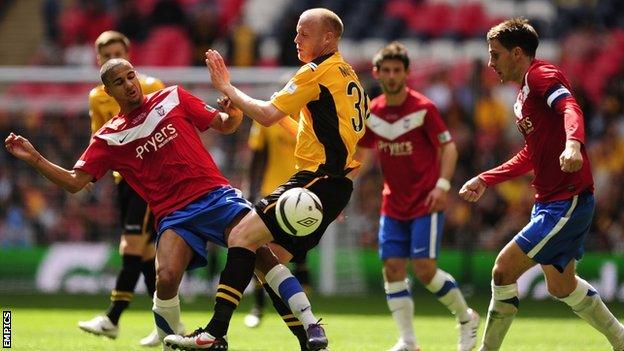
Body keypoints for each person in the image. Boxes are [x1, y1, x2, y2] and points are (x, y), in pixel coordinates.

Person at [5, 58, 317, 351]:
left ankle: (310, 327)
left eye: (131, 76)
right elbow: (75, 182)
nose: (129, 84)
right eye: (119, 82)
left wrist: (233, 111)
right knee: (165, 278)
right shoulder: (108, 137)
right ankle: (173, 340)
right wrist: (35, 158)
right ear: (108, 91)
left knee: (263, 257)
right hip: (174, 215)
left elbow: (225, 123)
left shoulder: (173, 97)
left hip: (216, 196)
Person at [164, 7, 369, 351]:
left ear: (328, 38)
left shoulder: (316, 72)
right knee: (265, 260)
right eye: (296, 32)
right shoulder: (349, 77)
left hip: (317, 179)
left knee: (242, 235)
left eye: (305, 33)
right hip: (334, 186)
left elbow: (269, 115)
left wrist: (228, 86)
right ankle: (308, 336)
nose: (296, 38)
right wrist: (329, 200)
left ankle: (214, 334)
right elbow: (313, 130)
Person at [459, 18, 624, 351]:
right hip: (549, 201)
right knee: (561, 286)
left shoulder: (540, 76)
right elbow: (530, 155)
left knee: (503, 271)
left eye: (496, 55)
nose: (491, 64)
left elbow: (571, 108)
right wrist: (486, 178)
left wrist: (573, 144)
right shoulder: (523, 95)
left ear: (517, 53)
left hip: (568, 199)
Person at [357, 42, 479, 351]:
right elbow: (365, 154)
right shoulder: (373, 113)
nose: (392, 75)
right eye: (386, 70)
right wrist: (343, 187)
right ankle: (408, 340)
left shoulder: (424, 108)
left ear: (407, 73)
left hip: (426, 201)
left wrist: (442, 185)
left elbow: (448, 146)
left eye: (397, 70)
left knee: (425, 270)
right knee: (393, 269)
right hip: (392, 204)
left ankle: (466, 318)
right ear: (377, 73)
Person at [77, 30, 167, 347]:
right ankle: (168, 323)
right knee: (145, 253)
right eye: (105, 55)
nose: (111, 58)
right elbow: (99, 137)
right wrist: (89, 174)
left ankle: (113, 317)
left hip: (147, 180)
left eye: (117, 52)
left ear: (129, 54)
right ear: (98, 60)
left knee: (131, 247)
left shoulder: (152, 86)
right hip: (123, 180)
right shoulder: (96, 97)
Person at [244, 120, 313, 331]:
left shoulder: (309, 117)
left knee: (300, 260)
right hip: (271, 194)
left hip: (302, 198)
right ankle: (258, 308)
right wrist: (250, 190)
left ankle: (304, 313)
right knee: (262, 253)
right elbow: (257, 156)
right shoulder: (267, 118)